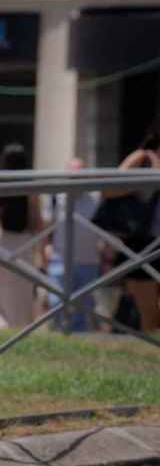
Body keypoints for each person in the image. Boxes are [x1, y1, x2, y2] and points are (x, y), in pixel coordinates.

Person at [102, 122, 160, 334]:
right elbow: (108, 190)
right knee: (149, 313)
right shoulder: (141, 157)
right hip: (143, 243)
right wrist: (145, 180)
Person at [0, 143, 45, 330]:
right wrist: (42, 253)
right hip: (23, 245)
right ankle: (16, 335)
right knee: (21, 300)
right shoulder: (31, 186)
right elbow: (38, 223)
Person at [40, 158, 101, 333]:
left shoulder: (95, 199)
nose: (76, 178)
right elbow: (45, 228)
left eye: (80, 174)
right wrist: (43, 252)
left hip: (88, 261)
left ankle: (79, 339)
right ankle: (60, 334)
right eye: (72, 174)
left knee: (84, 305)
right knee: (56, 302)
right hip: (60, 259)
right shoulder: (54, 198)